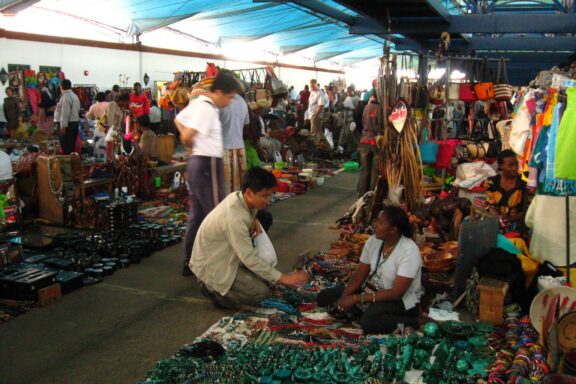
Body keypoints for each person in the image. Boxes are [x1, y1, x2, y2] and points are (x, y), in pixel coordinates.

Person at [192, 167, 309, 308]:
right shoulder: (235, 218)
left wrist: (254, 220)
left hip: (226, 257)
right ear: (249, 193)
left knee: (268, 278)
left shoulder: (240, 198)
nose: (268, 200)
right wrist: (283, 278)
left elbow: (247, 215)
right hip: (213, 266)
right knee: (261, 293)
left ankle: (227, 286)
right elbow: (249, 258)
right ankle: (214, 291)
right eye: (264, 195)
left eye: (270, 195)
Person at [175, 71, 242, 276]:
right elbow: (186, 134)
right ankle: (215, 264)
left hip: (199, 163)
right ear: (219, 92)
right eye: (229, 97)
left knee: (199, 215)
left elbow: (178, 120)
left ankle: (191, 262)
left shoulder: (199, 103)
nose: (230, 102)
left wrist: (191, 147)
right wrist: (190, 144)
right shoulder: (207, 109)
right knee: (217, 215)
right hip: (207, 164)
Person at [317, 206, 422, 333]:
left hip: (400, 300)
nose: (375, 225)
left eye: (380, 223)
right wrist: (342, 301)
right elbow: (359, 275)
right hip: (372, 291)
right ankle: (364, 312)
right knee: (324, 297)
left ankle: (416, 321)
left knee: (368, 323)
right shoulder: (374, 241)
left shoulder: (409, 251)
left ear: (393, 229)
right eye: (376, 221)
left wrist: (355, 299)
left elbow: (396, 293)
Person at [483, 149, 528, 233]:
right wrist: (499, 218)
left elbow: (527, 209)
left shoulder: (524, 183)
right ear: (500, 166)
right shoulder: (491, 182)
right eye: (510, 165)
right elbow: (489, 205)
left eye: (516, 164)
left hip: (519, 226)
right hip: (495, 223)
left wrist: (510, 219)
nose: (515, 168)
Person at [220, 88, 250, 194]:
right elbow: (246, 126)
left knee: (226, 188)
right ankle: (239, 209)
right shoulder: (242, 101)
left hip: (224, 149)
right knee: (240, 187)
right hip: (239, 148)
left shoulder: (221, 101)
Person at [358, 93, 381, 196]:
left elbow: (363, 122)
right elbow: (380, 126)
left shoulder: (366, 107)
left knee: (364, 169)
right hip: (376, 141)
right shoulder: (380, 108)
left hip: (364, 140)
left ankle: (362, 194)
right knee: (375, 170)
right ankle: (372, 195)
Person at [56, 79, 81, 154]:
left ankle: (69, 163)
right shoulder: (74, 96)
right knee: (71, 146)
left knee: (67, 148)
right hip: (74, 123)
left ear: (61, 87)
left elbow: (65, 112)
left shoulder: (66, 97)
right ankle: (72, 162)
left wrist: (63, 126)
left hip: (68, 125)